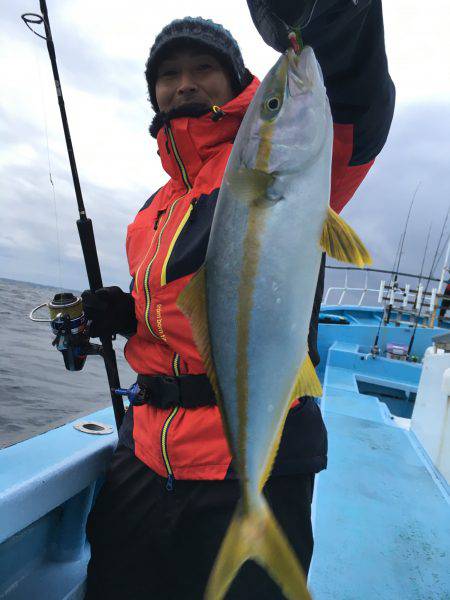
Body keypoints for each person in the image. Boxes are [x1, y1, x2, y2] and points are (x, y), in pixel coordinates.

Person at [83, 2, 395, 598]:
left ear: (234, 82)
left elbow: (356, 92)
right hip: (145, 456)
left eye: (203, 67)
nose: (184, 84)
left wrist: (316, 20)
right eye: (168, 74)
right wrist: (129, 315)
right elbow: (189, 308)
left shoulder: (278, 159)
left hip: (251, 462)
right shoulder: (152, 211)